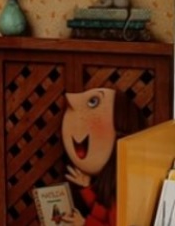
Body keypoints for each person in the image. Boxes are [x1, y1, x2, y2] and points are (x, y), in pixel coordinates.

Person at [61, 87, 145, 225]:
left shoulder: (127, 188)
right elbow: (103, 211)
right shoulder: (116, 181)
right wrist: (87, 187)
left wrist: (84, 223)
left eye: (94, 102)